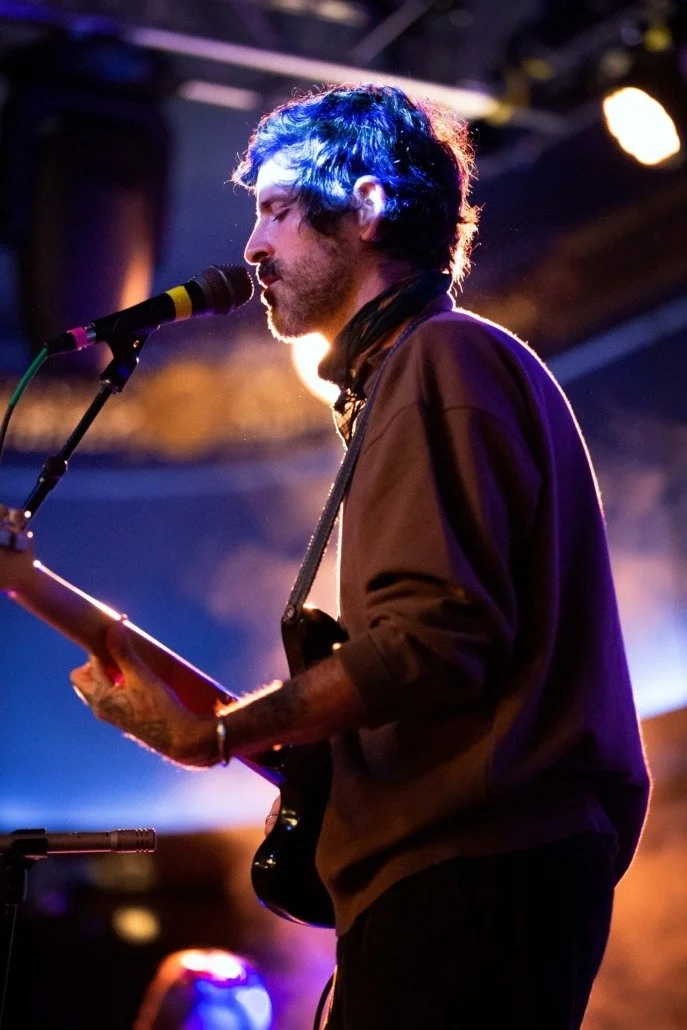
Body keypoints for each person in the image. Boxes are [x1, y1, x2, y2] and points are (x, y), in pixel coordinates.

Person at [70, 84, 650, 1029]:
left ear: (368, 203)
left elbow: (430, 642)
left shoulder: (443, 359)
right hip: (456, 876)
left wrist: (210, 735)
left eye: (276, 209)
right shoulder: (419, 374)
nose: (252, 245)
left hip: (468, 875)